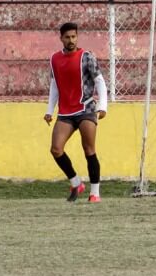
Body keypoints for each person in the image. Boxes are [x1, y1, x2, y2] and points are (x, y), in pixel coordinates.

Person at [44, 22, 108, 203]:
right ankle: (76, 182)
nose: (71, 40)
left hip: (86, 108)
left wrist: (103, 106)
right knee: (56, 149)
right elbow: (54, 85)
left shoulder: (87, 57)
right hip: (66, 111)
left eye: (74, 37)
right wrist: (49, 110)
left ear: (77, 37)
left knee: (89, 149)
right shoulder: (55, 59)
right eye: (67, 37)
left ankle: (95, 193)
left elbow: (100, 81)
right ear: (61, 38)